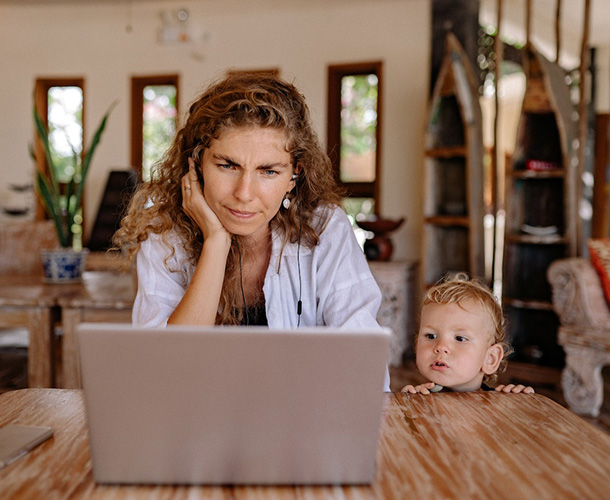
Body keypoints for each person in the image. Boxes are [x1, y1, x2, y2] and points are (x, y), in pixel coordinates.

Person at [115, 72, 390, 390]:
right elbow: (164, 373)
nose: (244, 193)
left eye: (268, 171)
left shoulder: (324, 228)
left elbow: (361, 363)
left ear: (293, 176)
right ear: (196, 164)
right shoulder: (165, 235)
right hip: (196, 424)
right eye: (227, 165)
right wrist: (216, 242)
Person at [401, 274, 534, 394]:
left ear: (490, 358)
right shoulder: (418, 398)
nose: (441, 347)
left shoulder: (501, 404)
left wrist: (519, 404)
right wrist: (408, 406)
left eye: (460, 338)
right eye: (431, 336)